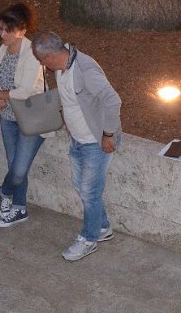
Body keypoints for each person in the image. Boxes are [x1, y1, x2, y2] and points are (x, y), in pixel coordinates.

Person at [32, 31, 122, 262]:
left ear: (51, 56)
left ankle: (89, 239)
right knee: (82, 188)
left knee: (89, 192)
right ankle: (102, 227)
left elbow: (113, 100)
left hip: (95, 142)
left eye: (41, 60)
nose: (42, 65)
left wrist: (108, 134)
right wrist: (66, 116)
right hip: (77, 139)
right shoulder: (61, 67)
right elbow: (68, 98)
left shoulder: (85, 70)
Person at [0, 3, 48, 227]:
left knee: (18, 170)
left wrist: (2, 94)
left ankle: (5, 191)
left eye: (8, 30)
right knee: (13, 164)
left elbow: (25, 91)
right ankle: (19, 207)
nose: (3, 34)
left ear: (22, 31)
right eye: (1, 29)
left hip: (31, 118)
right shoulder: (2, 49)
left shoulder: (32, 54)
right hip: (8, 117)